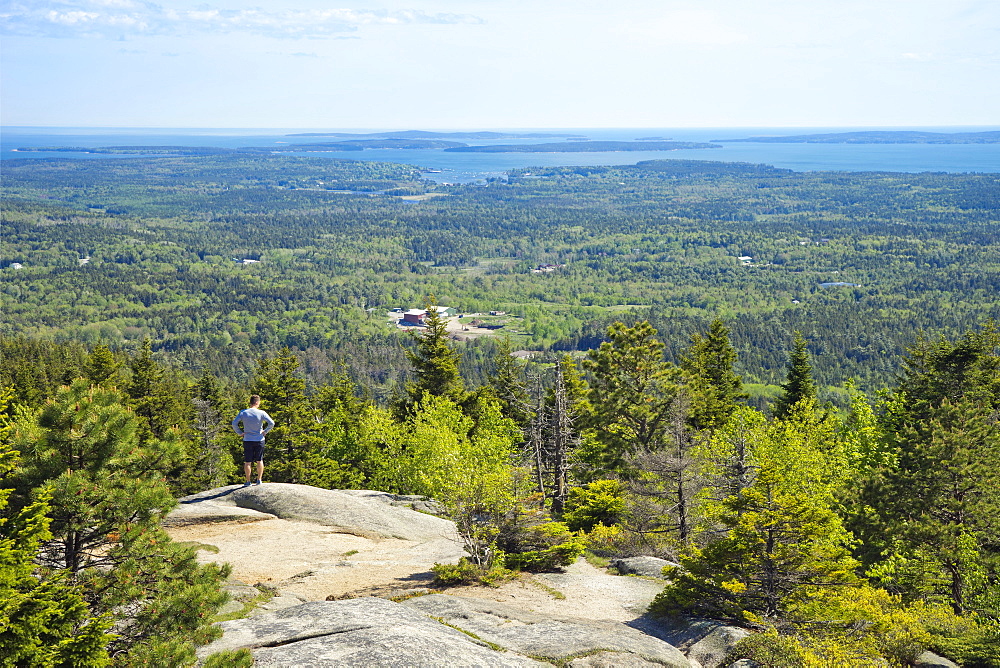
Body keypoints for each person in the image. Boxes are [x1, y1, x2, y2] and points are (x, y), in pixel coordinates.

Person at [232, 395, 275, 487]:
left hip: (247, 439)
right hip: (259, 439)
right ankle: (259, 480)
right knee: (259, 460)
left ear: (251, 402)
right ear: (257, 402)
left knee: (248, 461)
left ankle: (248, 481)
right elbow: (271, 423)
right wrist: (265, 431)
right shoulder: (262, 413)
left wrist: (240, 432)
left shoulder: (243, 412)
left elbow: (234, 423)